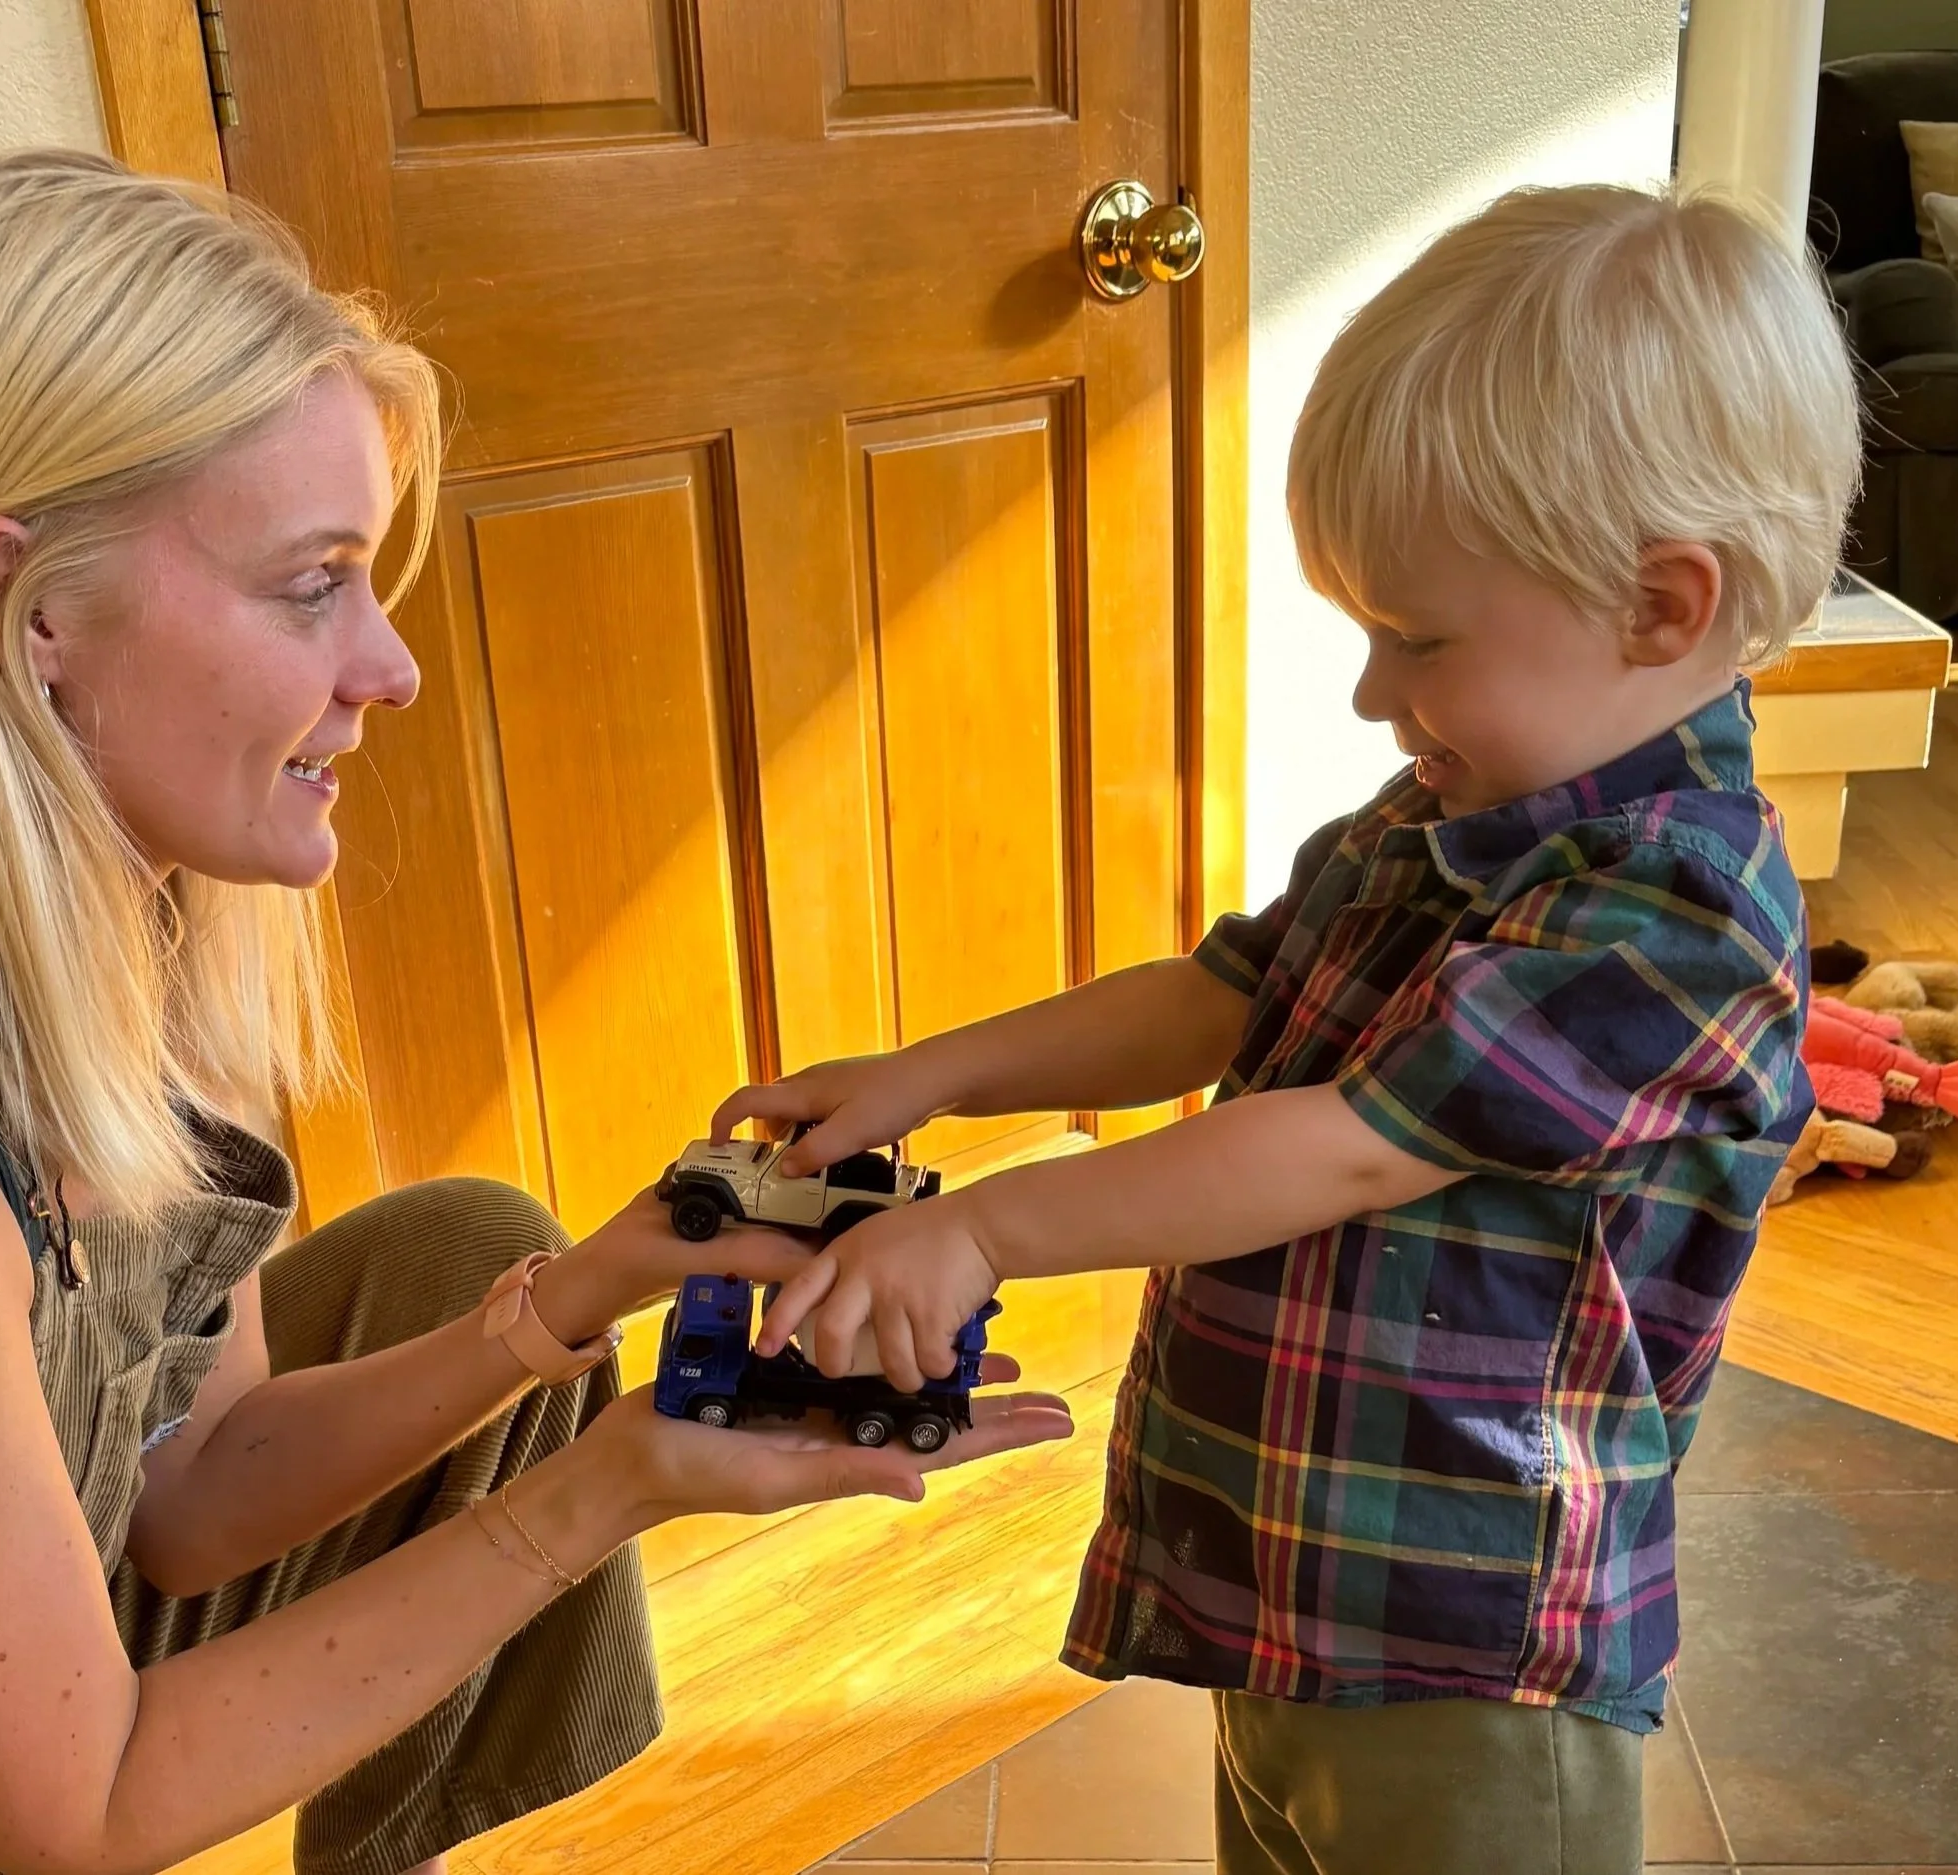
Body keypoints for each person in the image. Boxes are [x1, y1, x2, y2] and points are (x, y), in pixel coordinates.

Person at [0, 149, 1072, 1875]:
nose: (387, 667)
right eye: (313, 583)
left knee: (475, 1245)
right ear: (28, 614)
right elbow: (77, 1809)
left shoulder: (95, 944)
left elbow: (189, 1492)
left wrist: (588, 1291)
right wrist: (606, 1482)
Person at [714, 183, 1861, 1875]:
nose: (1369, 695)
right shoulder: (1439, 817)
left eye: (1415, 639)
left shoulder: (1667, 914)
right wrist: (934, 1074)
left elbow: (1336, 1140)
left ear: (1661, 608)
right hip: (1301, 1578)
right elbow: (1215, 993)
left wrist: (989, 1226)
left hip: (1463, 1650)